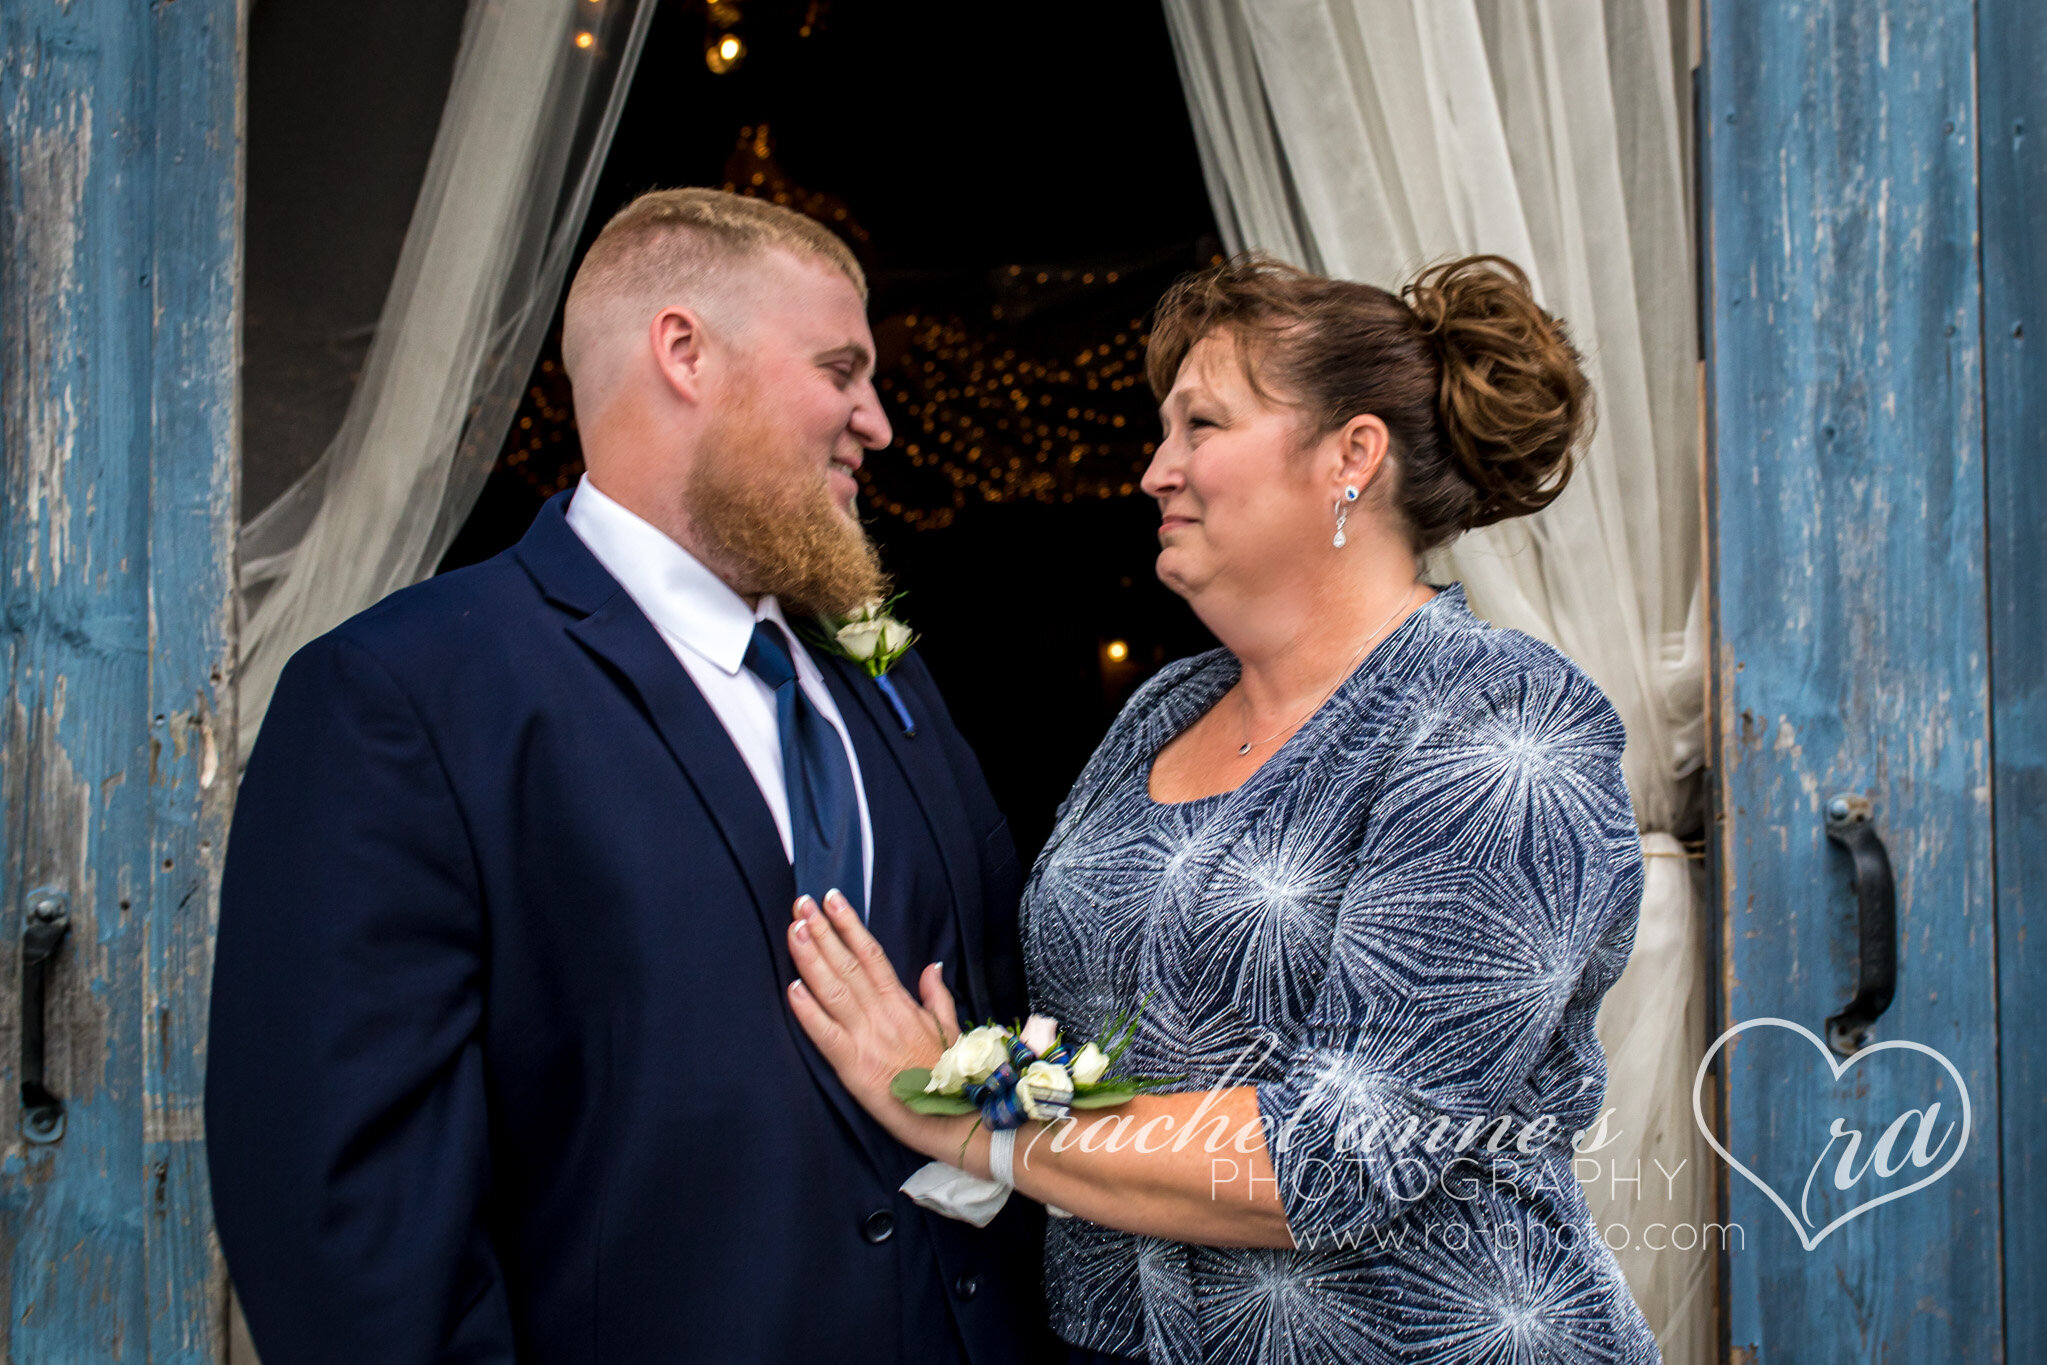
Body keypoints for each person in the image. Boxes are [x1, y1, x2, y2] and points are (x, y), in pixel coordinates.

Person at [205, 188, 1049, 1364]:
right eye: (842, 368)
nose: (878, 421)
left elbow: (997, 987)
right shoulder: (403, 694)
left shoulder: (881, 664)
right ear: (684, 352)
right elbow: (344, 1215)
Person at [784, 253, 1663, 1362]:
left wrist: (967, 1119)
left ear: (1352, 457)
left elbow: (1340, 1155)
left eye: (1201, 426)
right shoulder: (1167, 706)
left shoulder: (1504, 726)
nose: (1156, 470)